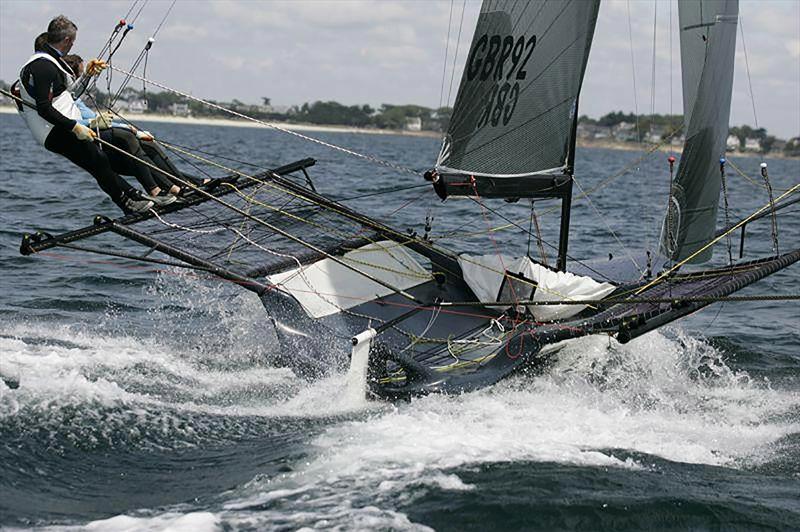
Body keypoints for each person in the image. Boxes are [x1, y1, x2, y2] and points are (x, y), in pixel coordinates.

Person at [16, 15, 153, 214]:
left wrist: (88, 75)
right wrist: (75, 126)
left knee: (98, 159)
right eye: (73, 41)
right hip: (52, 130)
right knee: (96, 160)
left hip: (60, 124)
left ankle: (132, 196)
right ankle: (127, 202)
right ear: (67, 41)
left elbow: (68, 96)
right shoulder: (42, 66)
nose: (73, 45)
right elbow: (44, 108)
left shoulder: (53, 62)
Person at [63, 54, 179, 205]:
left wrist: (132, 129)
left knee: (146, 144)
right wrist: (130, 131)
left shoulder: (75, 99)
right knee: (128, 138)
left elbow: (96, 119)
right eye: (80, 73)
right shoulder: (61, 99)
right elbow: (73, 121)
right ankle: (157, 190)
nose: (79, 80)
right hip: (94, 149)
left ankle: (183, 185)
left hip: (103, 143)